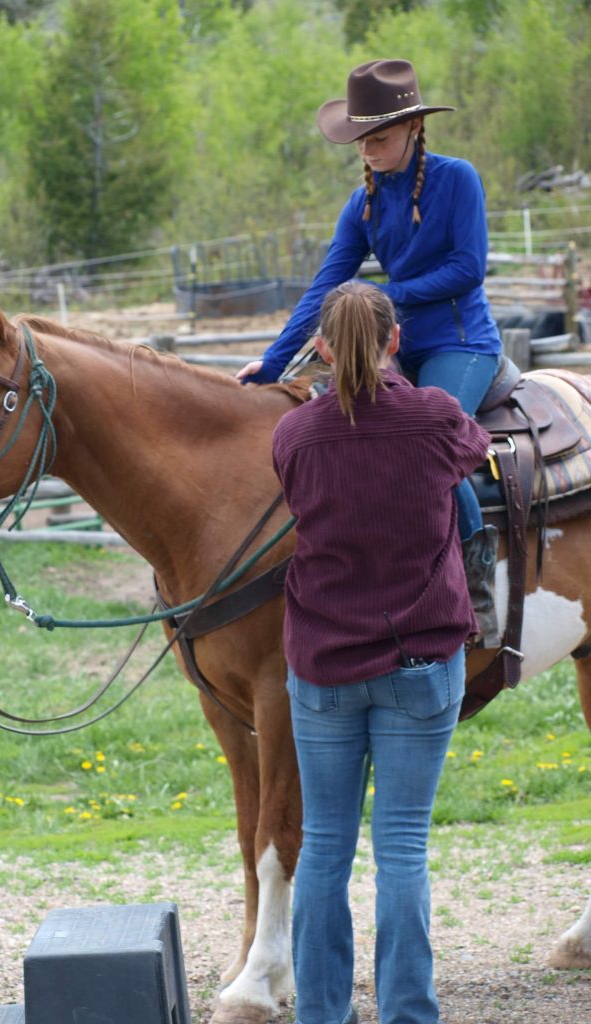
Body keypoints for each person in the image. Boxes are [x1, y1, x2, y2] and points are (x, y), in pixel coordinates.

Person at [272, 281, 491, 1024]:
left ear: (323, 347)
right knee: (401, 848)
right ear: (397, 339)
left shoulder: (294, 434)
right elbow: (476, 447)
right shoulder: (434, 418)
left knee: (326, 850)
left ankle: (323, 1015)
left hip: (324, 665)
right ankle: (407, 1014)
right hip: (420, 664)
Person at [240, 58, 501, 646]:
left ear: (413, 129)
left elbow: (468, 268)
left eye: (379, 138)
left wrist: (380, 298)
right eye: (361, 140)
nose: (368, 151)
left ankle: (475, 589)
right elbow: (327, 285)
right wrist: (275, 361)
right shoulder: (362, 202)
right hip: (384, 344)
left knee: (436, 445)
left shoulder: (458, 179)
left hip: (458, 344)